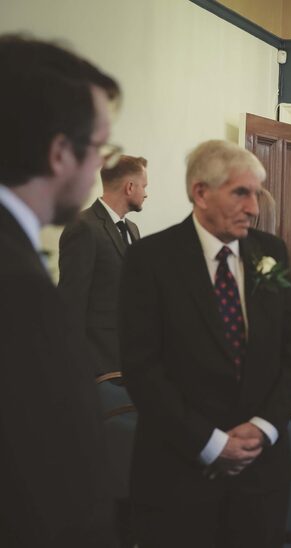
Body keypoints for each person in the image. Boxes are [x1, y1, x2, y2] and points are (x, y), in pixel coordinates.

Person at [120, 139, 291, 548]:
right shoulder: (151, 260)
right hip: (178, 474)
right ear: (200, 192)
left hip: (262, 477)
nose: (254, 207)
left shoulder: (270, 254)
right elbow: (142, 368)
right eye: (241, 192)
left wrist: (264, 426)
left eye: (255, 194)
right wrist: (211, 442)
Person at [0, 34, 121, 547]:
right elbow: (49, 485)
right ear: (58, 154)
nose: (100, 167)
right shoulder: (21, 289)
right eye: (98, 149)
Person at [58, 155, 148, 375]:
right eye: (144, 186)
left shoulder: (133, 229)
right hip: (96, 365)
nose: (146, 193)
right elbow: (70, 303)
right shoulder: (82, 227)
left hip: (129, 361)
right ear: (129, 187)